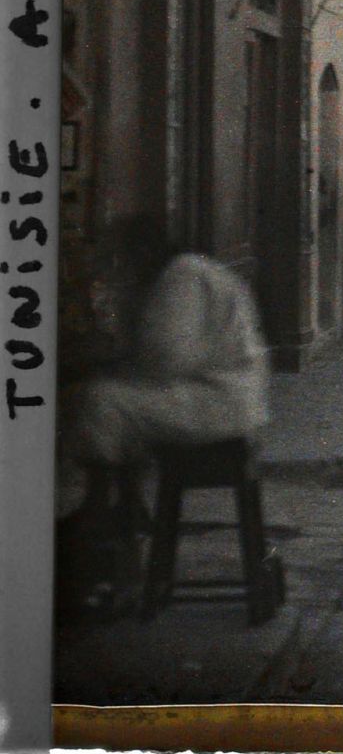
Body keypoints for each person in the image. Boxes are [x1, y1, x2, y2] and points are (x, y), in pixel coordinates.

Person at [58, 215, 271, 525]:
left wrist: (123, 352)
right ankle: (128, 503)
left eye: (123, 258)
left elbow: (170, 358)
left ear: (142, 252)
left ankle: (99, 504)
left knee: (100, 400)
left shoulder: (183, 275)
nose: (122, 267)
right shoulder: (191, 271)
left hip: (218, 403)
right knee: (119, 399)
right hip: (228, 399)